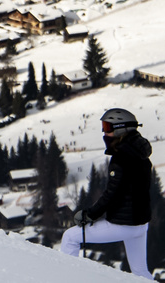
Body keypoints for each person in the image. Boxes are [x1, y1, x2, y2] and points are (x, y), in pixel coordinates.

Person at [61, 107, 154, 280]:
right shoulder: (141, 156)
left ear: (121, 129)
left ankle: (67, 278)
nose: (104, 132)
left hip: (123, 224)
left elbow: (112, 194)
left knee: (70, 238)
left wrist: (89, 215)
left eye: (107, 127)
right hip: (140, 225)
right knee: (140, 273)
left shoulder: (121, 157)